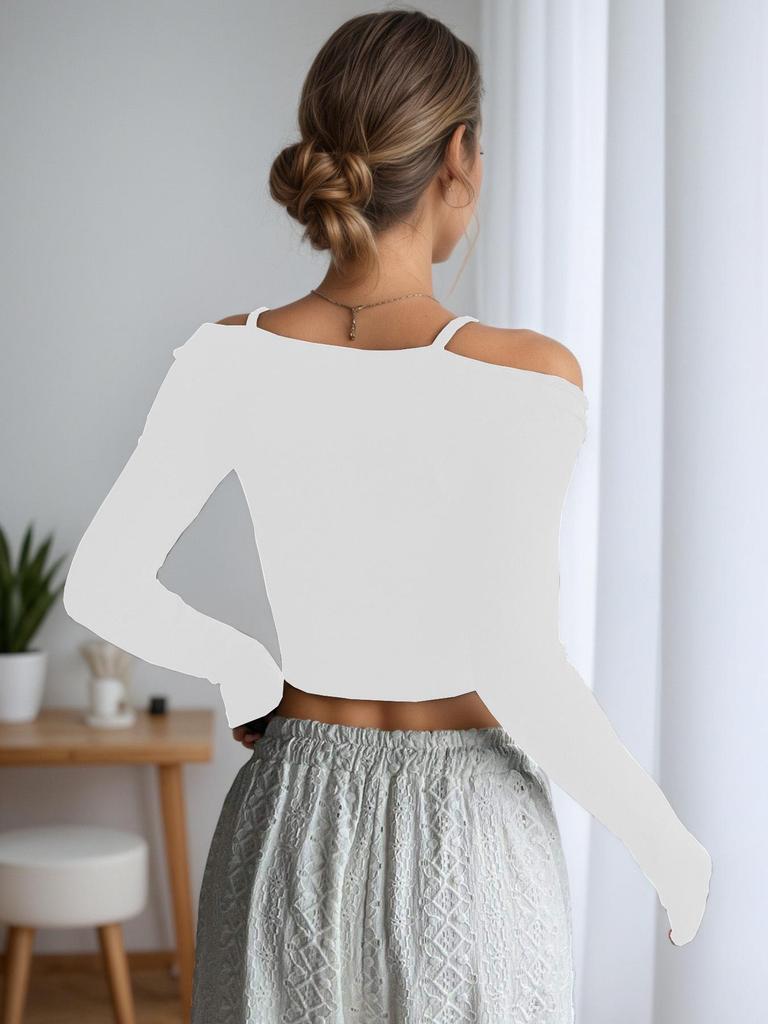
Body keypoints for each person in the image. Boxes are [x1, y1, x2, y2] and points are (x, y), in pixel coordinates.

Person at [62, 10, 711, 1023]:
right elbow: (519, 664)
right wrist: (670, 849)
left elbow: (101, 583)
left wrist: (240, 664)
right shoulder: (528, 374)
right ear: (459, 156)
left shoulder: (229, 356)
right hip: (470, 837)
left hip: (288, 820)